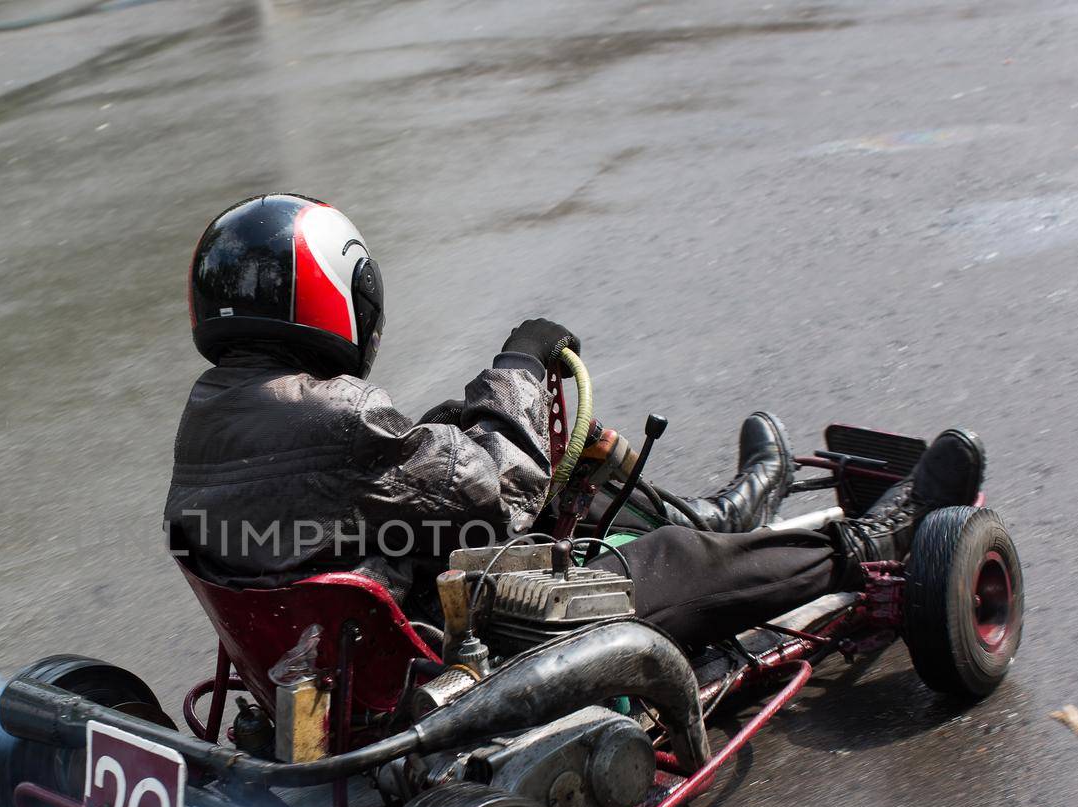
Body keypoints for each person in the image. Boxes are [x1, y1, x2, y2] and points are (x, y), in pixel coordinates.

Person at [165, 194, 984, 650]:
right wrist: (520, 366)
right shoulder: (335, 413)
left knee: (569, 496)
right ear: (325, 294)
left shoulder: (210, 420)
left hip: (347, 630)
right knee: (677, 561)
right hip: (454, 652)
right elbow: (490, 487)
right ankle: (875, 545)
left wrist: (471, 417)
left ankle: (735, 506)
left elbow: (406, 487)